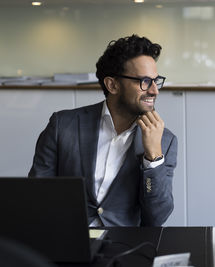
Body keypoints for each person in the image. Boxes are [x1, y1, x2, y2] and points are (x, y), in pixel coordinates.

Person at [28, 34, 177, 227]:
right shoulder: (63, 125)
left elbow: (157, 217)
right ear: (112, 85)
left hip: (126, 247)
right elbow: (37, 195)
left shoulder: (165, 140)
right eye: (145, 82)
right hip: (68, 241)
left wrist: (154, 157)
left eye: (156, 81)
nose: (155, 91)